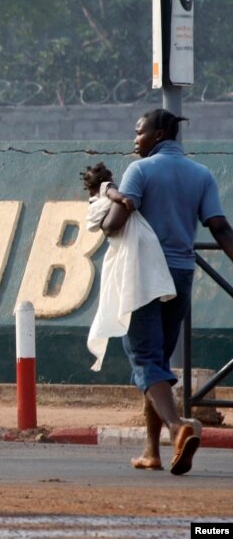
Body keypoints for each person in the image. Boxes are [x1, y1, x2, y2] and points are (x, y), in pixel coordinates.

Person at [102, 109, 233, 475]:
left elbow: (113, 226)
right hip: (181, 274)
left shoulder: (140, 171)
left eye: (139, 132)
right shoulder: (202, 174)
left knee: (145, 359)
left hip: (144, 275)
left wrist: (105, 196)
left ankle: (178, 427)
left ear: (158, 134)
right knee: (158, 359)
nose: (135, 138)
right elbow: (221, 228)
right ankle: (151, 451)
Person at [82, 162, 175, 372]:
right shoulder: (103, 192)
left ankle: (155, 398)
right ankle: (150, 398)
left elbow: (107, 223)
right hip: (135, 249)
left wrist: (118, 203)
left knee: (141, 347)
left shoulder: (101, 192)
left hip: (132, 250)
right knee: (147, 345)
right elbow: (105, 210)